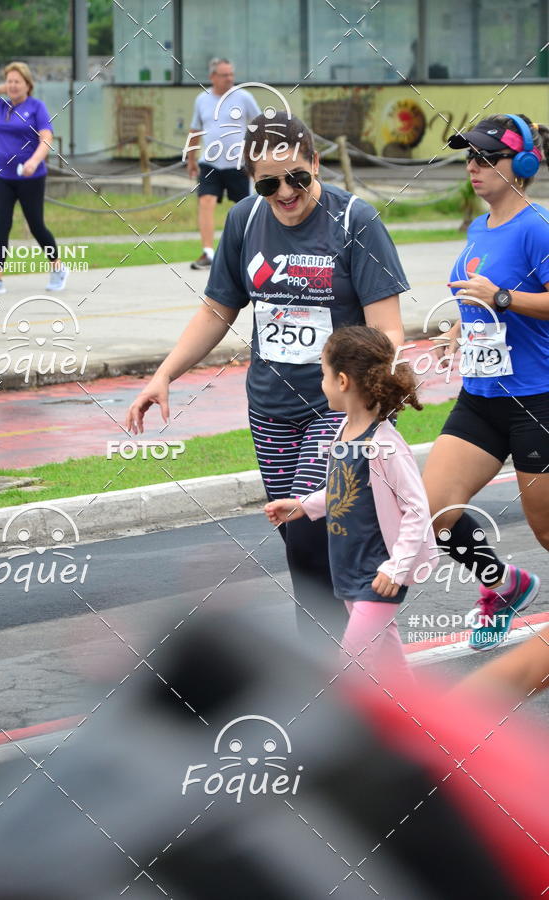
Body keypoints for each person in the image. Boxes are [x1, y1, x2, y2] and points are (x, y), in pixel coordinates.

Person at [127, 112, 408, 647]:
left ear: (316, 164)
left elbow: (388, 328)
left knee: (309, 530)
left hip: (338, 406)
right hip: (271, 408)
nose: (286, 192)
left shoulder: (355, 221)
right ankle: (341, 656)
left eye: (298, 177)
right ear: (253, 180)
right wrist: (164, 375)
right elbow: (217, 309)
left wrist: (367, 388)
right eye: (269, 182)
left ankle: (336, 666)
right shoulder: (246, 219)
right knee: (297, 537)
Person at [422, 113, 549, 651]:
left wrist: (501, 298)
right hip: (481, 396)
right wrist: (456, 330)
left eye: (484, 158)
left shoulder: (536, 226)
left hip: (535, 400)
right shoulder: (480, 228)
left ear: (519, 165)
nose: (472, 168)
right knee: (434, 511)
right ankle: (504, 586)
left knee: (546, 531)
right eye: (468, 158)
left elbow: (508, 295)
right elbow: (479, 296)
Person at [264, 326, 436, 680]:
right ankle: (419, 728)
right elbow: (345, 490)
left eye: (323, 374)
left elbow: (417, 508)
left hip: (378, 575)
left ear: (342, 381)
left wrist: (397, 567)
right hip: (348, 570)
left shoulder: (384, 443)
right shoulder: (344, 431)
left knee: (350, 667)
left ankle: (353, 732)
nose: (321, 382)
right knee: (390, 668)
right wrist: (303, 506)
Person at [0, 61, 67, 294]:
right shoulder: (1, 107)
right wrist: (0, 88)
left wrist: (34, 161)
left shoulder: (36, 107)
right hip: (2, 175)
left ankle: (58, 267)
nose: (12, 85)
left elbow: (47, 138)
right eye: (9, 81)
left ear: (28, 85)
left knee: (36, 226)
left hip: (30, 178)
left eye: (17, 82)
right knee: (1, 224)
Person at [184, 58, 260, 270]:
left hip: (239, 164)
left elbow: (259, 125)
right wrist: (190, 159)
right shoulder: (202, 99)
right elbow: (195, 130)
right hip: (210, 164)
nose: (230, 79)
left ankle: (246, 251)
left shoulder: (244, 97)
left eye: (231, 74)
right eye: (224, 75)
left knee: (244, 209)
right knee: (206, 201)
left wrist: (258, 159)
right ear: (212, 77)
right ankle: (208, 252)